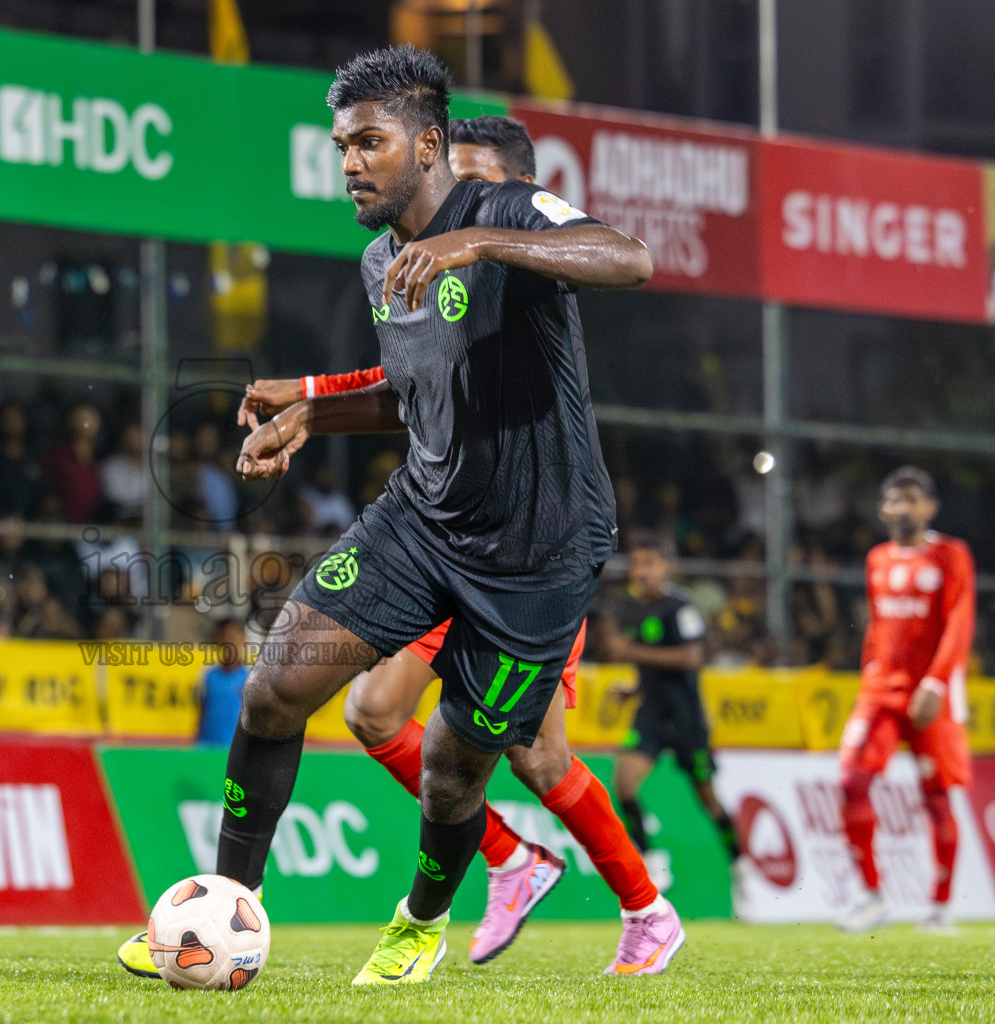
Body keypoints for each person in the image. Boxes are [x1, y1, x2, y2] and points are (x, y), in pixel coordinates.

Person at [156, 46, 654, 987]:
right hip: (425, 520)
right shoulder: (381, 257)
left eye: (369, 143)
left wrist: (477, 242)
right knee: (274, 692)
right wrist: (313, 412)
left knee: (452, 770)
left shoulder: (502, 211)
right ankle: (227, 916)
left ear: (429, 145)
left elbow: (630, 258)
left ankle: (420, 922)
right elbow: (417, 393)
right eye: (343, 145)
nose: (349, 162)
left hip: (539, 553)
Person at [837, 466, 974, 933]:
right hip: (881, 693)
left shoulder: (951, 555)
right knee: (852, 782)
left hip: (929, 697)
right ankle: (873, 897)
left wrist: (936, 684)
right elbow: (878, 626)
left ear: (931, 507)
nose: (903, 507)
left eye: (913, 499)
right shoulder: (877, 559)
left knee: (936, 797)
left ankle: (938, 908)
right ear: (882, 509)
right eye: (894, 500)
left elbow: (959, 622)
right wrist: (869, 672)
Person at [602, 530, 739, 893]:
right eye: (635, 564)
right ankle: (651, 859)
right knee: (625, 782)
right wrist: (632, 689)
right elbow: (652, 666)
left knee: (707, 798)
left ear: (666, 568)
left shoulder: (681, 608)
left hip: (686, 720)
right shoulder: (633, 610)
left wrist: (631, 653)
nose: (641, 571)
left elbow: (691, 658)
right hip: (651, 713)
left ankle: (741, 865)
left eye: (649, 563)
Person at [198, 619, 250, 746]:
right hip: (207, 748)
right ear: (219, 640)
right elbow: (201, 711)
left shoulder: (250, 678)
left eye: (234, 638)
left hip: (234, 750)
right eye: (225, 638)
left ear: (243, 640)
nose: (229, 643)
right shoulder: (208, 676)